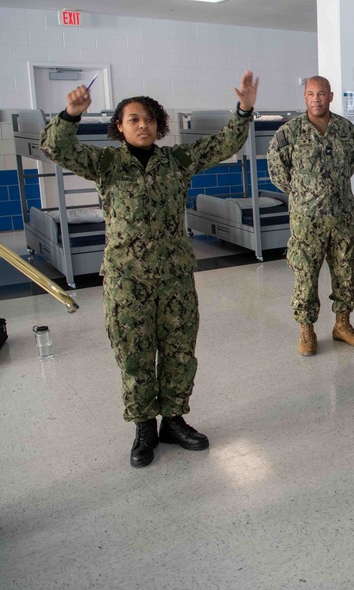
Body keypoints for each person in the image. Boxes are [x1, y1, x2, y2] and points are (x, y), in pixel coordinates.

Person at [40, 70, 259, 468]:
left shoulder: (176, 161)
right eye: (133, 120)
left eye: (149, 119)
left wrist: (244, 108)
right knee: (134, 353)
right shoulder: (106, 163)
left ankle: (173, 420)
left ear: (159, 125)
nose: (142, 125)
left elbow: (225, 143)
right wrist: (70, 114)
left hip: (175, 274)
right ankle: (143, 426)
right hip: (127, 279)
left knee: (178, 349)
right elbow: (55, 147)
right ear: (119, 127)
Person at [268, 76, 354, 356]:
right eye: (310, 94)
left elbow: (349, 167)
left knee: (345, 272)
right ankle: (306, 331)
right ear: (304, 97)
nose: (316, 99)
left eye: (321, 94)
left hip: (342, 216)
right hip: (306, 220)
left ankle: (342, 325)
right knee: (306, 276)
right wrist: (305, 195)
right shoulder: (288, 134)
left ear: (331, 96)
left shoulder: (347, 131)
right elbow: (278, 174)